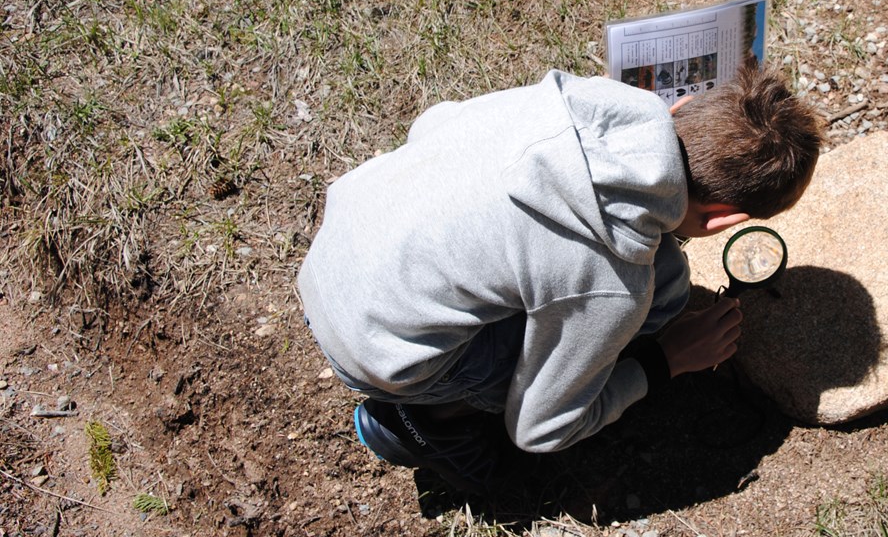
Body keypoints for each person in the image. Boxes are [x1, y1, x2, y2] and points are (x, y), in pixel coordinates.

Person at [297, 62, 824, 495]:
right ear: (723, 221)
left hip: (335, 252)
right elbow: (541, 430)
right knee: (648, 308)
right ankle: (426, 424)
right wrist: (667, 361)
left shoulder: (569, 100)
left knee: (664, 283)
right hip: (375, 353)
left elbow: (431, 125)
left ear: (680, 107)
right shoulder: (610, 284)